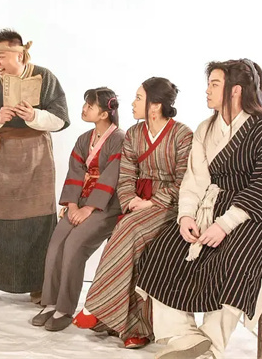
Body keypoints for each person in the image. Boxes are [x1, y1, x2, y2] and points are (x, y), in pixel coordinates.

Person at [136, 59, 262, 359]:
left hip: (257, 212)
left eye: (214, 84)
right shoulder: (206, 128)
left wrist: (225, 224)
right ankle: (185, 338)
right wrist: (185, 215)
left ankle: (212, 347)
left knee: (234, 260)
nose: (207, 90)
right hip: (211, 206)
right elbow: (195, 179)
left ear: (236, 90)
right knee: (163, 250)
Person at [73, 77, 193, 350]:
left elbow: (185, 180)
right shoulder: (134, 134)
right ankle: (132, 328)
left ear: (156, 105)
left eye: (139, 98)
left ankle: (96, 305)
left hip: (171, 207)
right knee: (130, 232)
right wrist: (130, 201)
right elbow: (126, 175)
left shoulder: (183, 134)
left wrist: (153, 202)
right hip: (137, 204)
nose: (132, 103)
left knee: (130, 229)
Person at [0, 29, 70, 307]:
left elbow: (60, 119)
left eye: (1, 56)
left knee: (38, 221)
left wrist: (34, 116)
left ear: (19, 55)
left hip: (36, 157)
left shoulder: (44, 77)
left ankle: (40, 286)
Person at [33, 87, 125, 332]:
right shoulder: (84, 139)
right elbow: (75, 172)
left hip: (106, 206)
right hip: (80, 202)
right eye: (85, 104)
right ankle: (50, 303)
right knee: (56, 244)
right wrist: (73, 205)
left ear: (104, 113)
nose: (84, 109)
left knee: (74, 245)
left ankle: (65, 308)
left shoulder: (119, 139)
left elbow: (112, 176)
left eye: (89, 106)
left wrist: (89, 208)